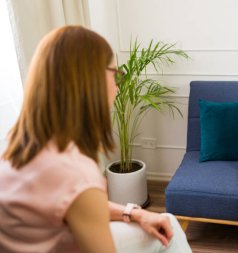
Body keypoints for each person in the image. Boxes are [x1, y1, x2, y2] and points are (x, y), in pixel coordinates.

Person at [0, 25, 192, 253]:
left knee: (165, 222)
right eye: (116, 74)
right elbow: (78, 194)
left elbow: (74, 203)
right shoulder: (76, 172)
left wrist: (135, 212)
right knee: (168, 230)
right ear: (91, 81)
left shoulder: (15, 149)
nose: (119, 86)